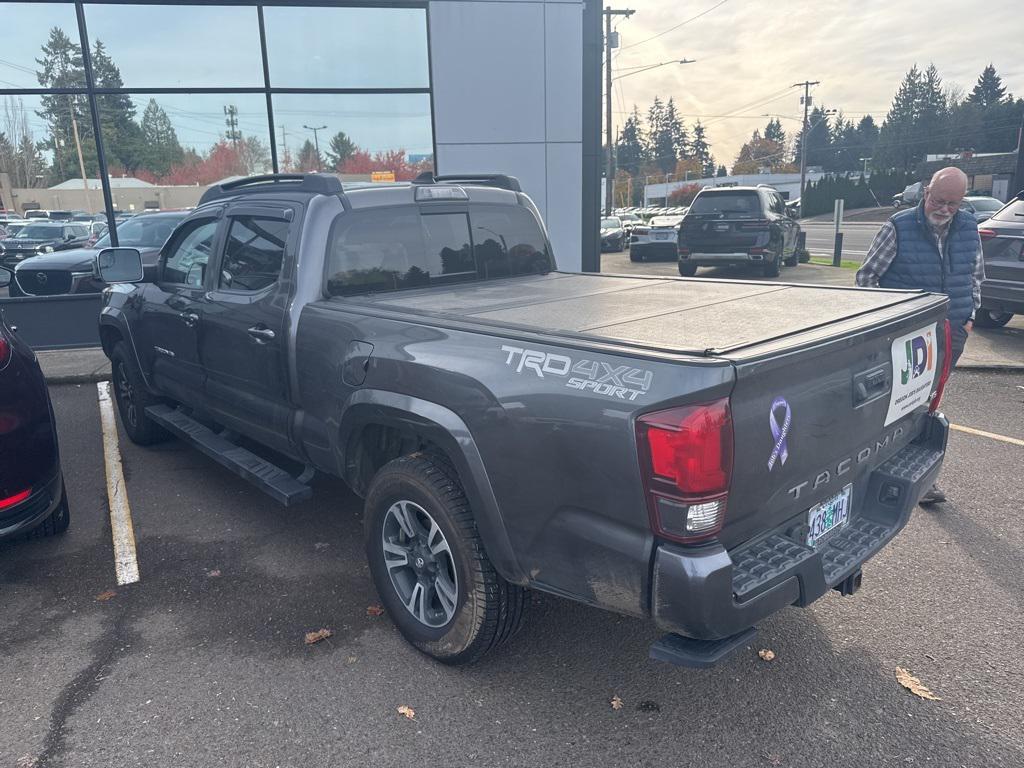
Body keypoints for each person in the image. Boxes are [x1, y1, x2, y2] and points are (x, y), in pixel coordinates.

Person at [856, 166, 984, 505]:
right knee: (898, 404)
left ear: (962, 203)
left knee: (930, 403)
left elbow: (975, 277)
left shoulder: (970, 228)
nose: (944, 209)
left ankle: (919, 478)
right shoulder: (897, 227)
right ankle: (877, 474)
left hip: (951, 331)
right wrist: (886, 326)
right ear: (926, 192)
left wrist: (968, 318)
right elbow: (866, 279)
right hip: (909, 338)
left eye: (953, 204)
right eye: (939, 200)